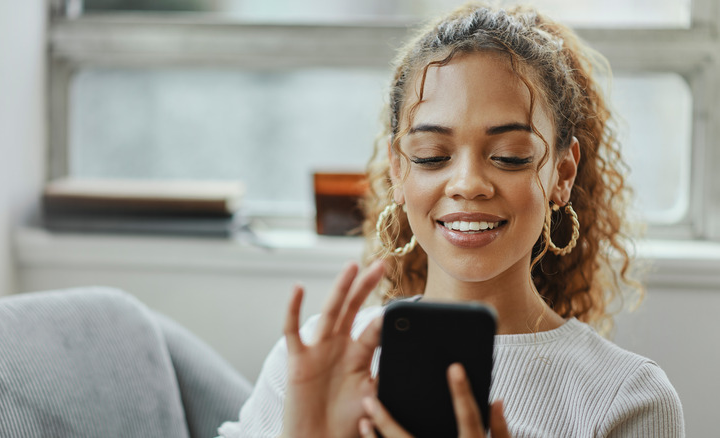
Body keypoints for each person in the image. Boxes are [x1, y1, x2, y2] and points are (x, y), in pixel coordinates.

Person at [218, 3, 685, 437]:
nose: (467, 183)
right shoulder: (315, 360)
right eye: (432, 156)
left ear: (562, 173)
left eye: (508, 156)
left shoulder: (630, 398)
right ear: (398, 170)